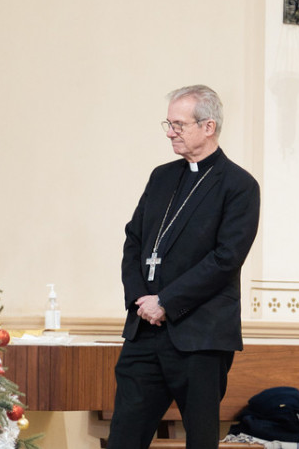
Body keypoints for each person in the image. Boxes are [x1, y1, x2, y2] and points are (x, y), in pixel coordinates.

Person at [107, 85, 261, 449]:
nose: (170, 132)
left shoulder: (239, 186)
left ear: (208, 127)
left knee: (201, 441)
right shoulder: (161, 177)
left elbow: (226, 259)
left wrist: (167, 301)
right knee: (123, 438)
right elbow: (134, 242)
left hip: (200, 338)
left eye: (178, 124)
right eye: (169, 123)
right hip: (144, 332)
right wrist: (141, 298)